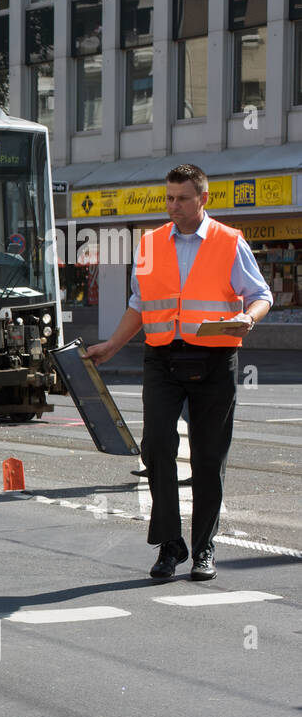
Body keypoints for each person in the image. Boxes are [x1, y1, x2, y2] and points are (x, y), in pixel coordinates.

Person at [86, 164, 272, 582]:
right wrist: (112, 345)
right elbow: (139, 304)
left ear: (203, 198)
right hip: (162, 359)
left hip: (215, 359)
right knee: (155, 448)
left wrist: (248, 317)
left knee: (209, 457)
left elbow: (261, 294)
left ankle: (204, 548)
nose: (174, 206)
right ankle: (170, 545)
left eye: (182, 198)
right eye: (169, 198)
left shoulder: (229, 242)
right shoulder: (150, 244)